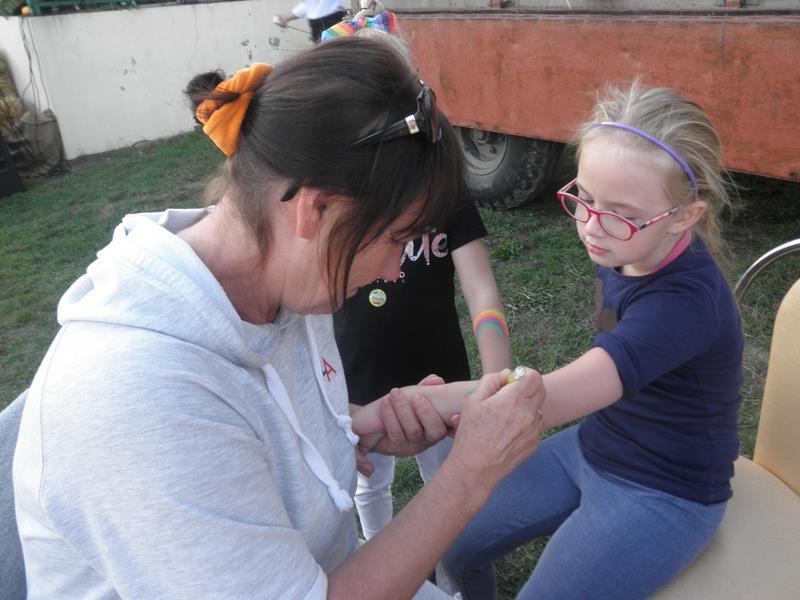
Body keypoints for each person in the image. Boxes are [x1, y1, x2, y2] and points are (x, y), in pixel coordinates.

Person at [12, 37, 546, 600]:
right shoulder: (136, 401)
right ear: (315, 209)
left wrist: (352, 426)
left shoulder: (283, 286)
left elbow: (256, 433)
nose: (394, 270)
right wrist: (466, 477)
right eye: (396, 240)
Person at [441, 81, 744, 599]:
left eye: (621, 213)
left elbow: (539, 402)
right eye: (584, 198)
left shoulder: (683, 305)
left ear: (683, 217)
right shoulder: (627, 248)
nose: (591, 226)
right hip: (598, 443)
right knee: (454, 542)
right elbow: (611, 339)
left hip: (664, 491)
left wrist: (413, 403)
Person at [326, 13, 513, 542]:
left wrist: (496, 376)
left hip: (441, 376)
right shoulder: (337, 202)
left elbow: (481, 289)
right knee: (369, 485)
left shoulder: (444, 189)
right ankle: (376, 551)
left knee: (449, 481)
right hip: (358, 377)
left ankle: (460, 565)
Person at [274, 0, 347, 43]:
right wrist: (286, 18)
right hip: (327, 21)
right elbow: (309, 5)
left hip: (326, 22)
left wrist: (286, 18)